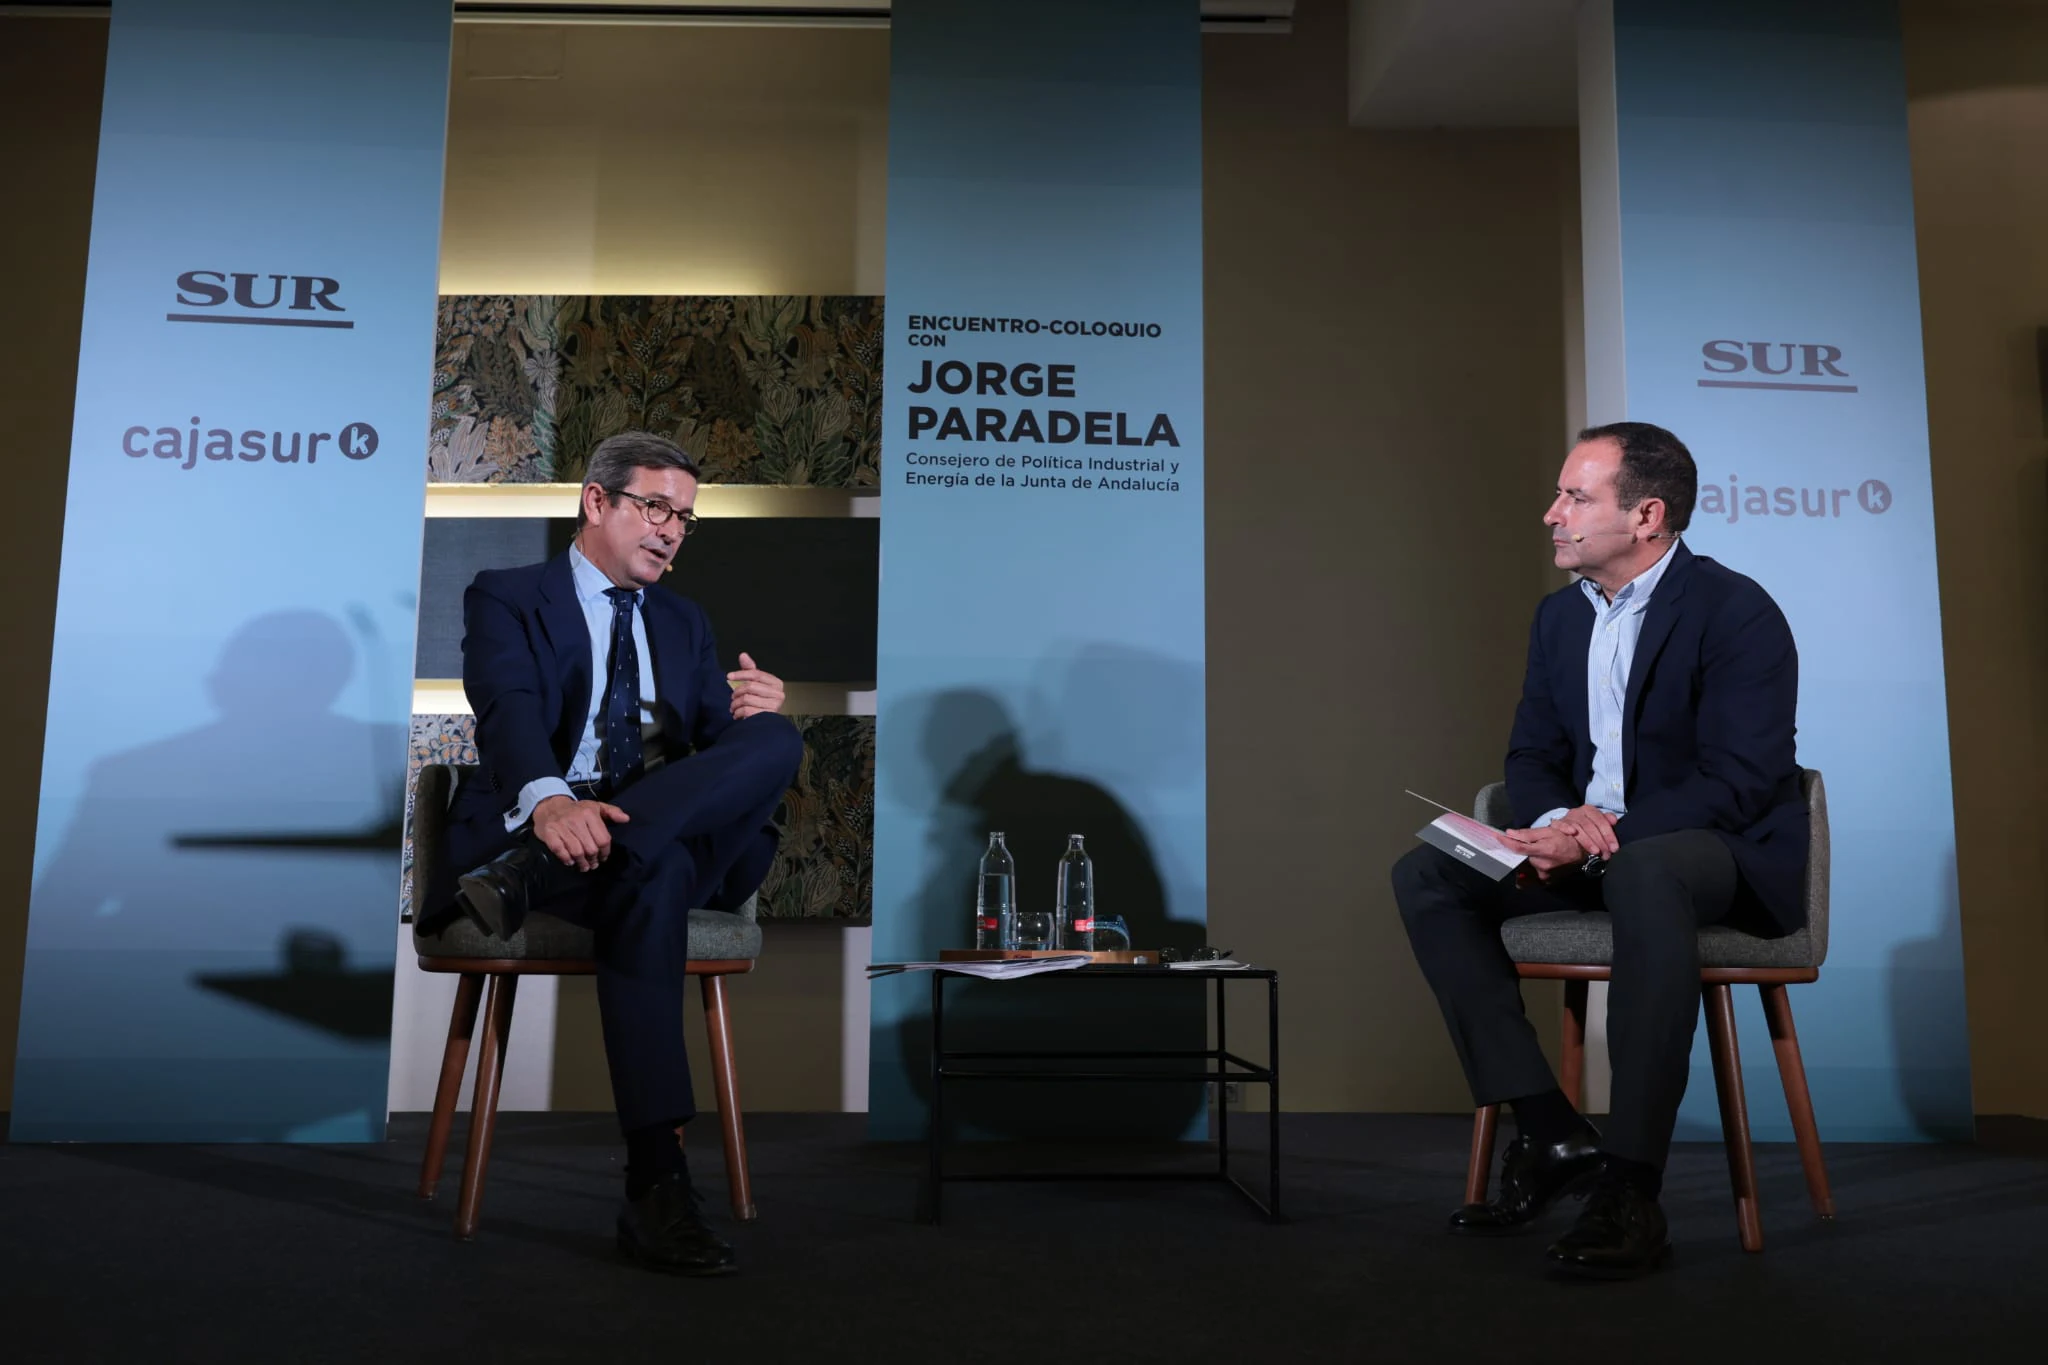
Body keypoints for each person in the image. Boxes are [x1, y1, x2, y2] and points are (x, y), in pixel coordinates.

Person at [1391, 421, 1806, 1279]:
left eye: (1576, 497)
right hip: (1589, 852)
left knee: (1649, 872)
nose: (1552, 514)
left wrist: (1601, 833)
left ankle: (1631, 1186)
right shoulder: (1558, 619)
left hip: (1705, 855)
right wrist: (1553, 818)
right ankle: (1551, 1134)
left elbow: (1741, 777)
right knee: (1430, 869)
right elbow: (1532, 755)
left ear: (1647, 514)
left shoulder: (1737, 611)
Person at [426, 430, 803, 1278]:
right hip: (555, 823)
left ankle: (529, 877)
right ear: (597, 502)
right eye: (655, 507)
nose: (671, 529)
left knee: (776, 739)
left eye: (685, 517)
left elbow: (721, 754)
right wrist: (551, 801)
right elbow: (508, 708)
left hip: (613, 849)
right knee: (656, 873)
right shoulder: (508, 594)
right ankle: (657, 1182)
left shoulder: (683, 618)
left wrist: (752, 717)